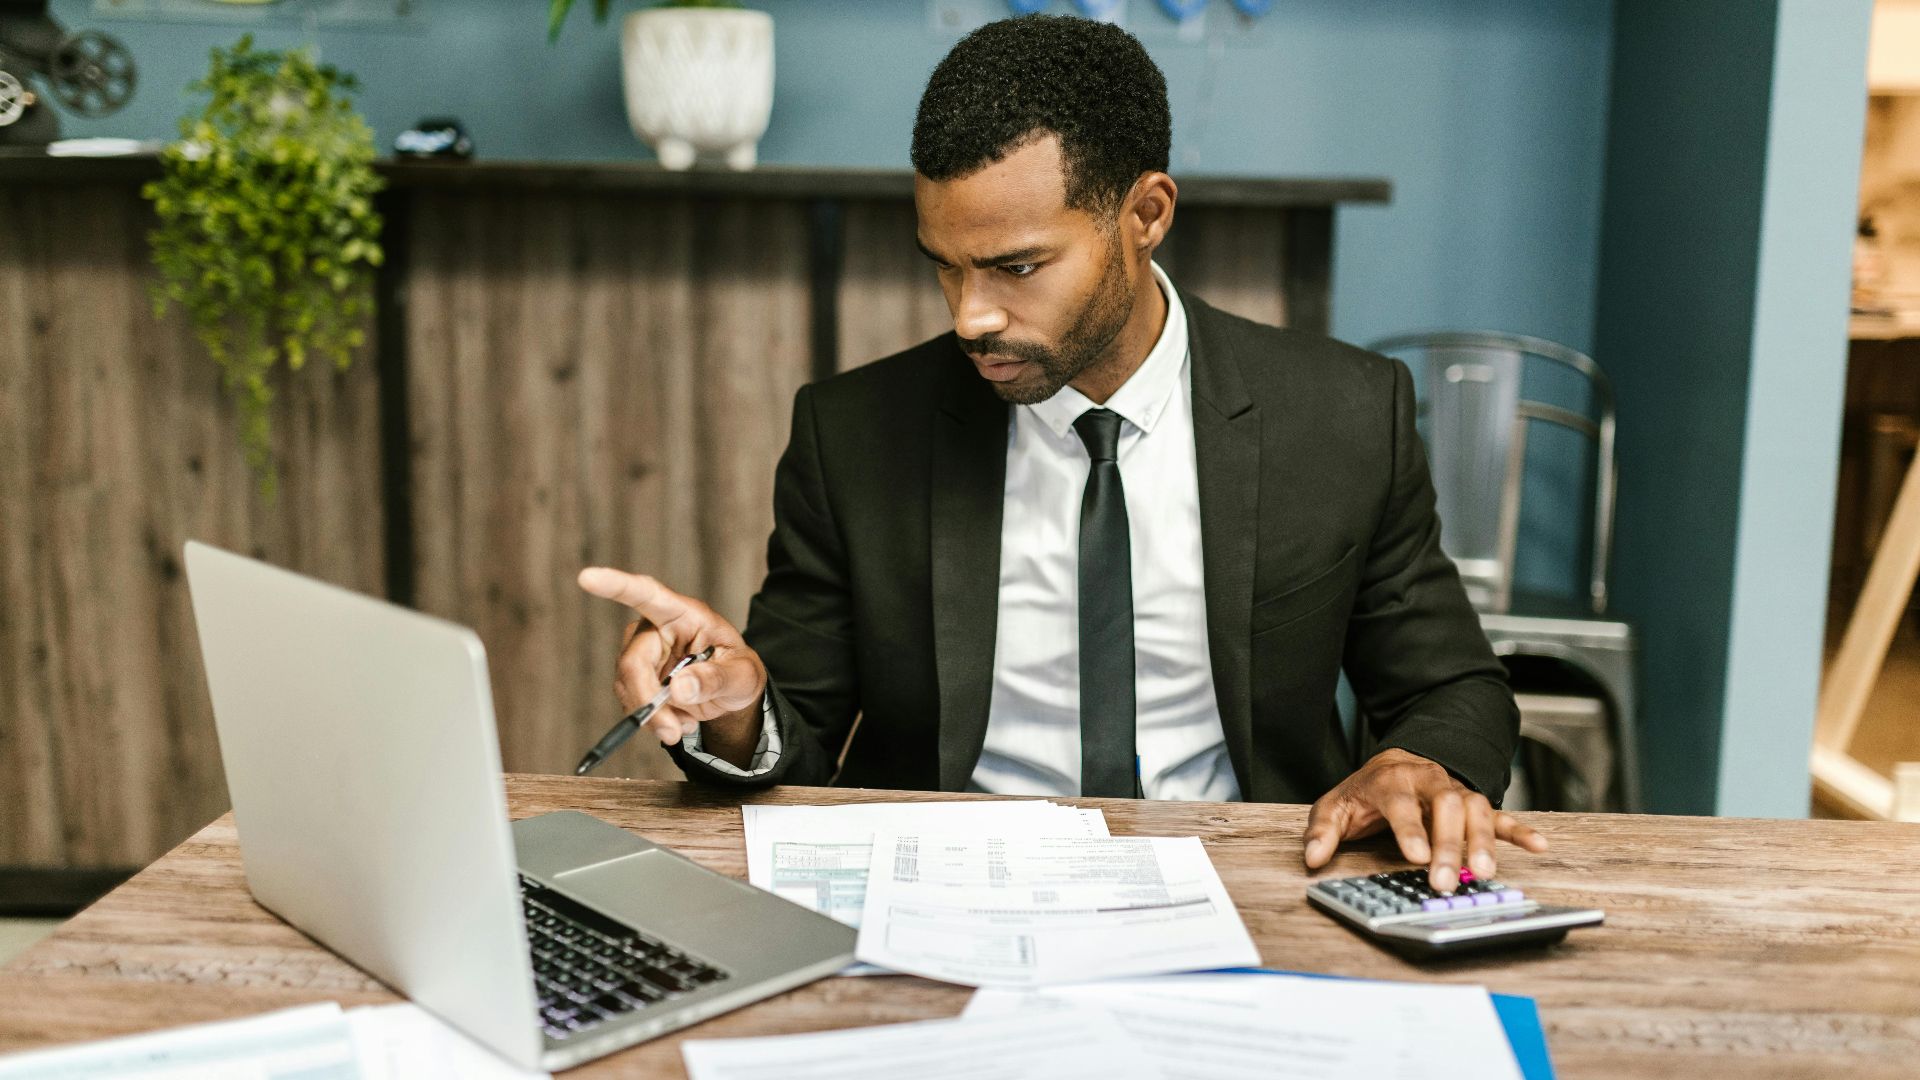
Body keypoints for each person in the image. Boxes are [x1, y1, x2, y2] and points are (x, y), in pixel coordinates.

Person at [577, 15, 1546, 893]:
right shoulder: (856, 435)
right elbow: (797, 728)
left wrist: (1428, 765)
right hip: (950, 896)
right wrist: (732, 708)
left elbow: (1450, 686)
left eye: (1017, 266)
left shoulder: (1339, 416)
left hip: (1255, 884)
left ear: (1147, 215)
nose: (972, 315)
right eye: (945, 268)